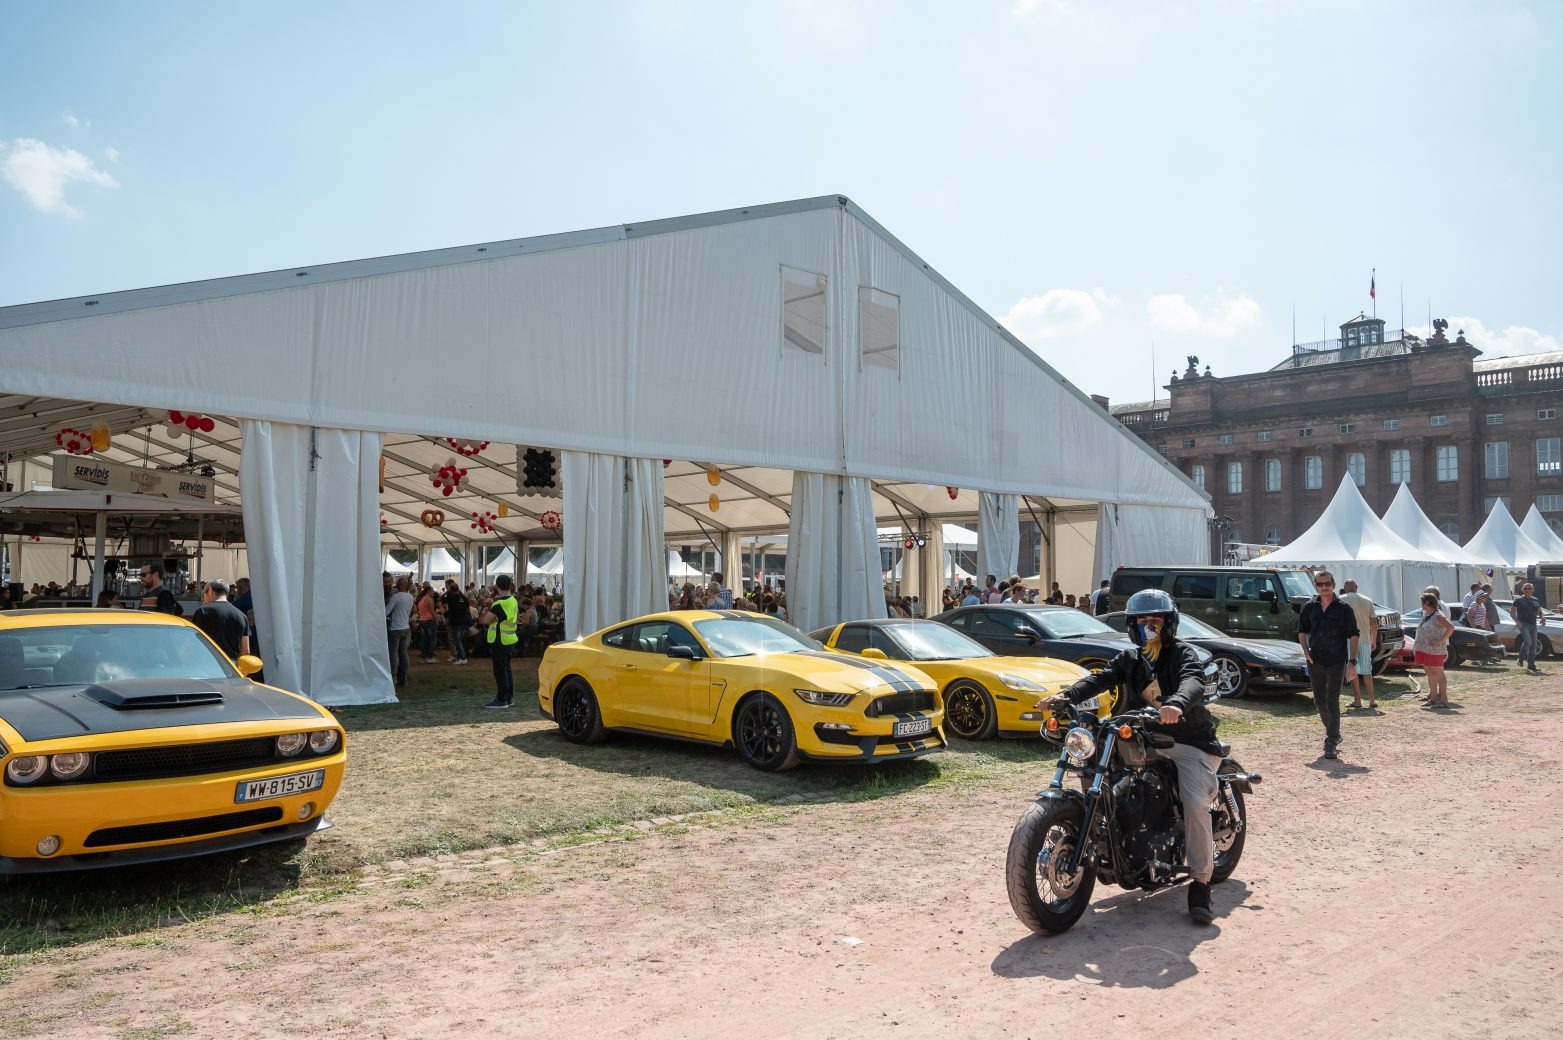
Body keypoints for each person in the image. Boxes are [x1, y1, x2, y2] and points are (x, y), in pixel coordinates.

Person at [1045, 588, 1224, 925]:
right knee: (1105, 772)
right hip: (1145, 739)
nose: (1149, 626)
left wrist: (1177, 704)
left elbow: (1193, 680)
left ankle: (1201, 882)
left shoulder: (1182, 654)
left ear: (1169, 624)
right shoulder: (1131, 658)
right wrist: (1065, 697)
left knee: (1194, 802)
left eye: (1156, 620)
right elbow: (1101, 678)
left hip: (1189, 742)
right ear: (1132, 626)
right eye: (1142, 621)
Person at [1297, 570, 1359, 760]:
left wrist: (1352, 662)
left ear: (1333, 585)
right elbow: (1302, 631)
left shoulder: (1344, 609)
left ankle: (1330, 742)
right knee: (1319, 702)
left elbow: (1354, 635)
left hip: (1337, 660)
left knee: (1332, 700)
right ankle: (1334, 732)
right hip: (1315, 660)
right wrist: (1305, 651)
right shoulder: (1309, 607)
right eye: (1320, 584)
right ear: (1316, 586)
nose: (1324, 587)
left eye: (1327, 584)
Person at [1339, 579, 1378, 710]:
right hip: (1365, 639)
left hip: (1349, 640)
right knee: (1367, 671)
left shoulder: (1341, 599)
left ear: (1345, 587)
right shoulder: (1367, 600)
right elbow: (1374, 623)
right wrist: (1373, 640)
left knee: (1352, 670)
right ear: (1356, 587)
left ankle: (1357, 700)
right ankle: (1371, 700)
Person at [482, 574, 520, 708]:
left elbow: (486, 620)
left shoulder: (499, 604)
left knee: (500, 671)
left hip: (500, 640)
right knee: (507, 669)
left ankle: (502, 699)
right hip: (510, 638)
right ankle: (508, 697)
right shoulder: (513, 600)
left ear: (497, 586)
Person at [1414, 591, 1456, 707]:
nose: (1421, 605)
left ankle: (1443, 700)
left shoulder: (1438, 615)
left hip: (1435, 650)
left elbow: (1450, 627)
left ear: (1428, 602)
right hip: (1424, 649)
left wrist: (1440, 641)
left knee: (1439, 674)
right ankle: (1433, 699)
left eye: (1422, 602)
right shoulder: (1427, 615)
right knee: (1430, 674)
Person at [191, 579, 250, 661]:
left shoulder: (202, 612)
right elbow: (245, 651)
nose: (204, 599)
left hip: (207, 662)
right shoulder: (242, 616)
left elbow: (193, 642)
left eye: (204, 594)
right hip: (230, 664)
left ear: (210, 591)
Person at [385, 576, 414, 688]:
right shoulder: (410, 597)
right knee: (404, 653)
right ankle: (404, 678)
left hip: (395, 628)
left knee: (394, 654)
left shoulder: (395, 597)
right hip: (406, 627)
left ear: (398, 584)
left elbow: (386, 612)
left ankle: (393, 679)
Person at [1511, 581, 1546, 674]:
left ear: (1533, 590)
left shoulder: (1535, 600)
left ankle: (1531, 664)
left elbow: (1539, 611)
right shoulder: (1518, 600)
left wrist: (1542, 618)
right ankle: (1520, 658)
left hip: (1533, 624)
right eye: (1525, 588)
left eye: (1529, 588)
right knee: (1528, 641)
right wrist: (1517, 622)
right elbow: (1512, 612)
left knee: (1533, 645)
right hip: (1523, 624)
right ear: (1523, 590)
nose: (1527, 590)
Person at [442, 579, 472, 666]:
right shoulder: (464, 598)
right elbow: (467, 609)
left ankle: (462, 658)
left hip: (455, 622)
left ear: (451, 590)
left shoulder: (451, 598)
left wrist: (446, 592)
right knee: (459, 640)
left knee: (457, 640)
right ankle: (460, 657)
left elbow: (441, 599)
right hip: (463, 621)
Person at [415, 583, 439, 663]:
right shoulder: (429, 599)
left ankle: (424, 657)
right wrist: (436, 620)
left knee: (424, 639)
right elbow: (432, 611)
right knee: (432, 639)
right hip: (429, 620)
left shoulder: (421, 599)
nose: (433, 593)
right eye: (432, 591)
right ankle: (430, 656)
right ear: (428, 591)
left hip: (422, 620)